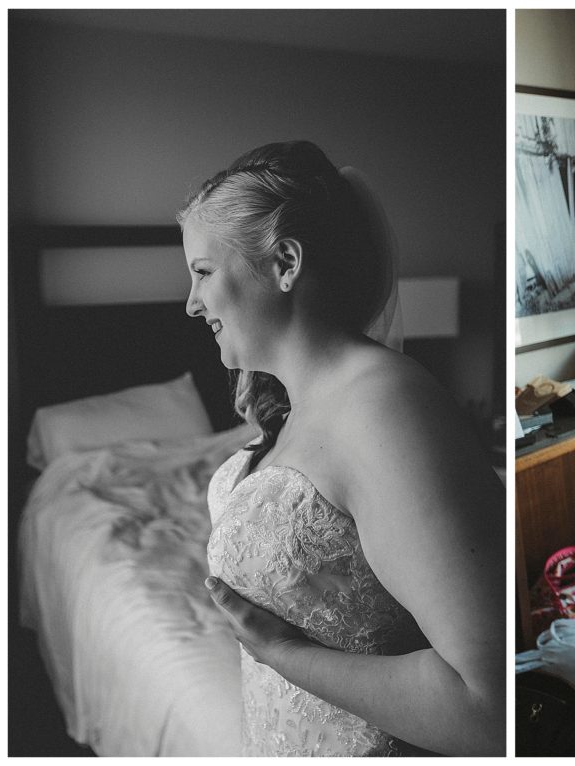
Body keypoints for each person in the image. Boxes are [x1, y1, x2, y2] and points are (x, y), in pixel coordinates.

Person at [180, 141, 504, 756]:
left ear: (285, 262)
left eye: (201, 272)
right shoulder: (296, 405)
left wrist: (283, 654)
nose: (190, 303)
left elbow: (487, 708)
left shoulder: (386, 407)